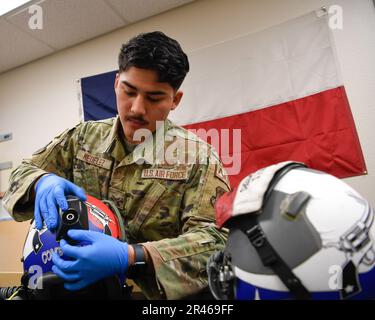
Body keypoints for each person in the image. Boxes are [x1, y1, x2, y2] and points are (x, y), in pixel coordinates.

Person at [2, 31, 230, 300]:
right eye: (129, 91)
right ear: (116, 82)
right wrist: (40, 182)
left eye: (154, 97)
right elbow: (21, 172)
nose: (136, 108)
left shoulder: (197, 158)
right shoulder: (82, 137)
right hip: (75, 289)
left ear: (175, 100)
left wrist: (132, 256)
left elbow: (217, 244)